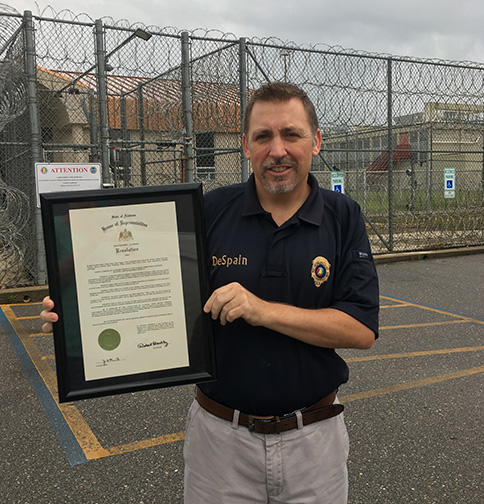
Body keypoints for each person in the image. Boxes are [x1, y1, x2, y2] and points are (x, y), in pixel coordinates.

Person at [41, 82, 379, 504]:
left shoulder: (343, 215)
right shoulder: (210, 209)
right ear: (245, 146)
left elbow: (360, 329)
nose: (277, 150)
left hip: (314, 440)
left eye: (291, 134)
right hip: (220, 443)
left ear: (316, 141)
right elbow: (138, 272)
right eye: (263, 136)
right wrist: (76, 309)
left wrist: (262, 310)